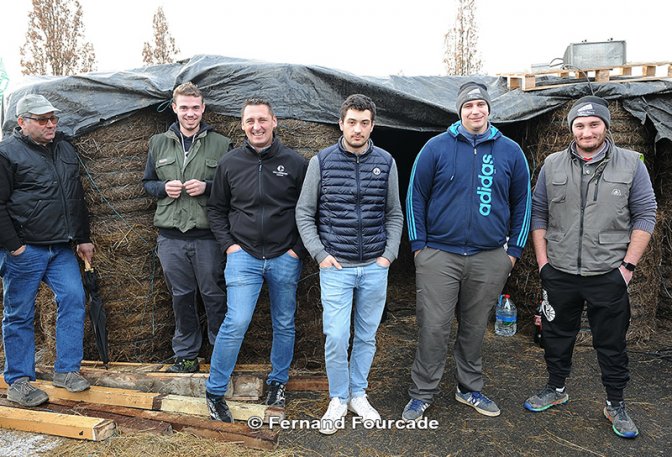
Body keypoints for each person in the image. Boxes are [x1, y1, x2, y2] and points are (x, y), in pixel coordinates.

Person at [524, 96, 657, 439]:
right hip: (560, 271)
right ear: (571, 129)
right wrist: (543, 264)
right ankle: (556, 388)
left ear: (605, 126)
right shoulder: (552, 164)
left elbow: (646, 215)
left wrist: (627, 267)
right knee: (556, 335)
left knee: (611, 343)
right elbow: (538, 214)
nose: (587, 132)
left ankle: (615, 403)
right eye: (580, 125)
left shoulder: (631, 164)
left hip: (608, 273)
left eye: (594, 124)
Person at [403, 82, 531, 421]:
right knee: (434, 326)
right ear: (459, 111)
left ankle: (468, 388)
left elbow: (523, 202)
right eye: (468, 105)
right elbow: (415, 196)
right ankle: (422, 393)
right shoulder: (435, 147)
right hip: (439, 254)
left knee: (474, 327)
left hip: (489, 256)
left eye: (480, 104)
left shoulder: (510, 151)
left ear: (489, 108)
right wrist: (419, 248)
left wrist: (512, 253)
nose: (475, 110)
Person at [295, 94, 403, 435]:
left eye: (364, 123)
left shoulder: (386, 161)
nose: (358, 129)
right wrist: (319, 254)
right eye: (352, 122)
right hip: (336, 267)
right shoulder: (321, 161)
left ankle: (359, 394)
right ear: (341, 123)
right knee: (337, 336)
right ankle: (338, 398)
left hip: (374, 266)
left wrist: (388, 255)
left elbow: (394, 213)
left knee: (367, 336)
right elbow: (304, 212)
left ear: (372, 126)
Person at [205, 98, 307, 422]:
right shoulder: (230, 163)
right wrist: (229, 247)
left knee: (284, 322)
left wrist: (296, 250)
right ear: (242, 125)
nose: (257, 126)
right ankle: (215, 390)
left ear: (274, 121)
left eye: (262, 119)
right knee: (236, 321)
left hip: (284, 256)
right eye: (250, 121)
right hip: (243, 256)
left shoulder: (296, 163)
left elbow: (310, 210)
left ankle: (278, 382)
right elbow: (216, 209)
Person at [0, 94, 94, 406]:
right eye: (42, 120)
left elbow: (75, 196)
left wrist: (82, 237)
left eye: (53, 118)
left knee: (74, 299)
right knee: (19, 313)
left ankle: (66, 370)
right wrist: (15, 248)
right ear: (22, 122)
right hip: (26, 250)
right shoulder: (6, 153)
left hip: (61, 247)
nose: (51, 124)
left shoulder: (64, 148)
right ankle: (19, 382)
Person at [143, 82, 231, 373]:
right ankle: (186, 354)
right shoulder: (158, 143)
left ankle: (221, 353)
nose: (190, 113)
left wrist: (207, 187)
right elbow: (147, 183)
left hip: (208, 237)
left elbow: (233, 187)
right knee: (181, 298)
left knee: (214, 295)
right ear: (174, 108)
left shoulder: (222, 144)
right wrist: (162, 188)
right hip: (171, 237)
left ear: (203, 108)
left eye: (195, 107)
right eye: (184, 108)